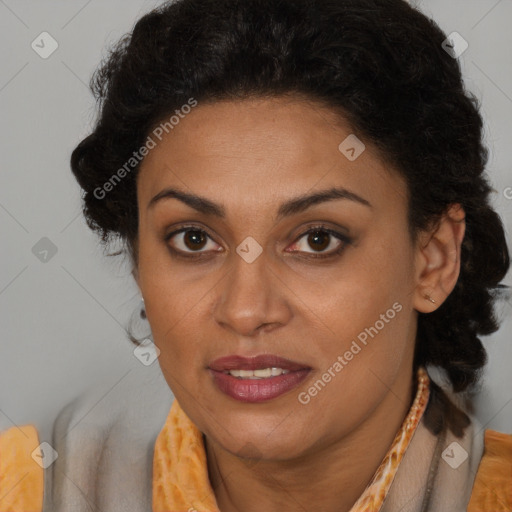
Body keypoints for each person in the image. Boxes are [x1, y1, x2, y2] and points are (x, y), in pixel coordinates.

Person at [1, 0, 511, 511]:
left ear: (434, 259)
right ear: (138, 262)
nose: (246, 311)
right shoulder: (27, 488)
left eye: (317, 240)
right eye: (193, 239)